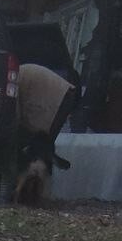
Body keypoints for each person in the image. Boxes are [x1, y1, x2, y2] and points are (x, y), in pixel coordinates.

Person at [12, 63, 75, 204]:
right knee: (45, 145)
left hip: (61, 97)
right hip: (65, 93)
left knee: (43, 144)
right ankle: (37, 192)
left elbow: (15, 113)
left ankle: (37, 194)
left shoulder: (13, 79)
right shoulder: (19, 74)